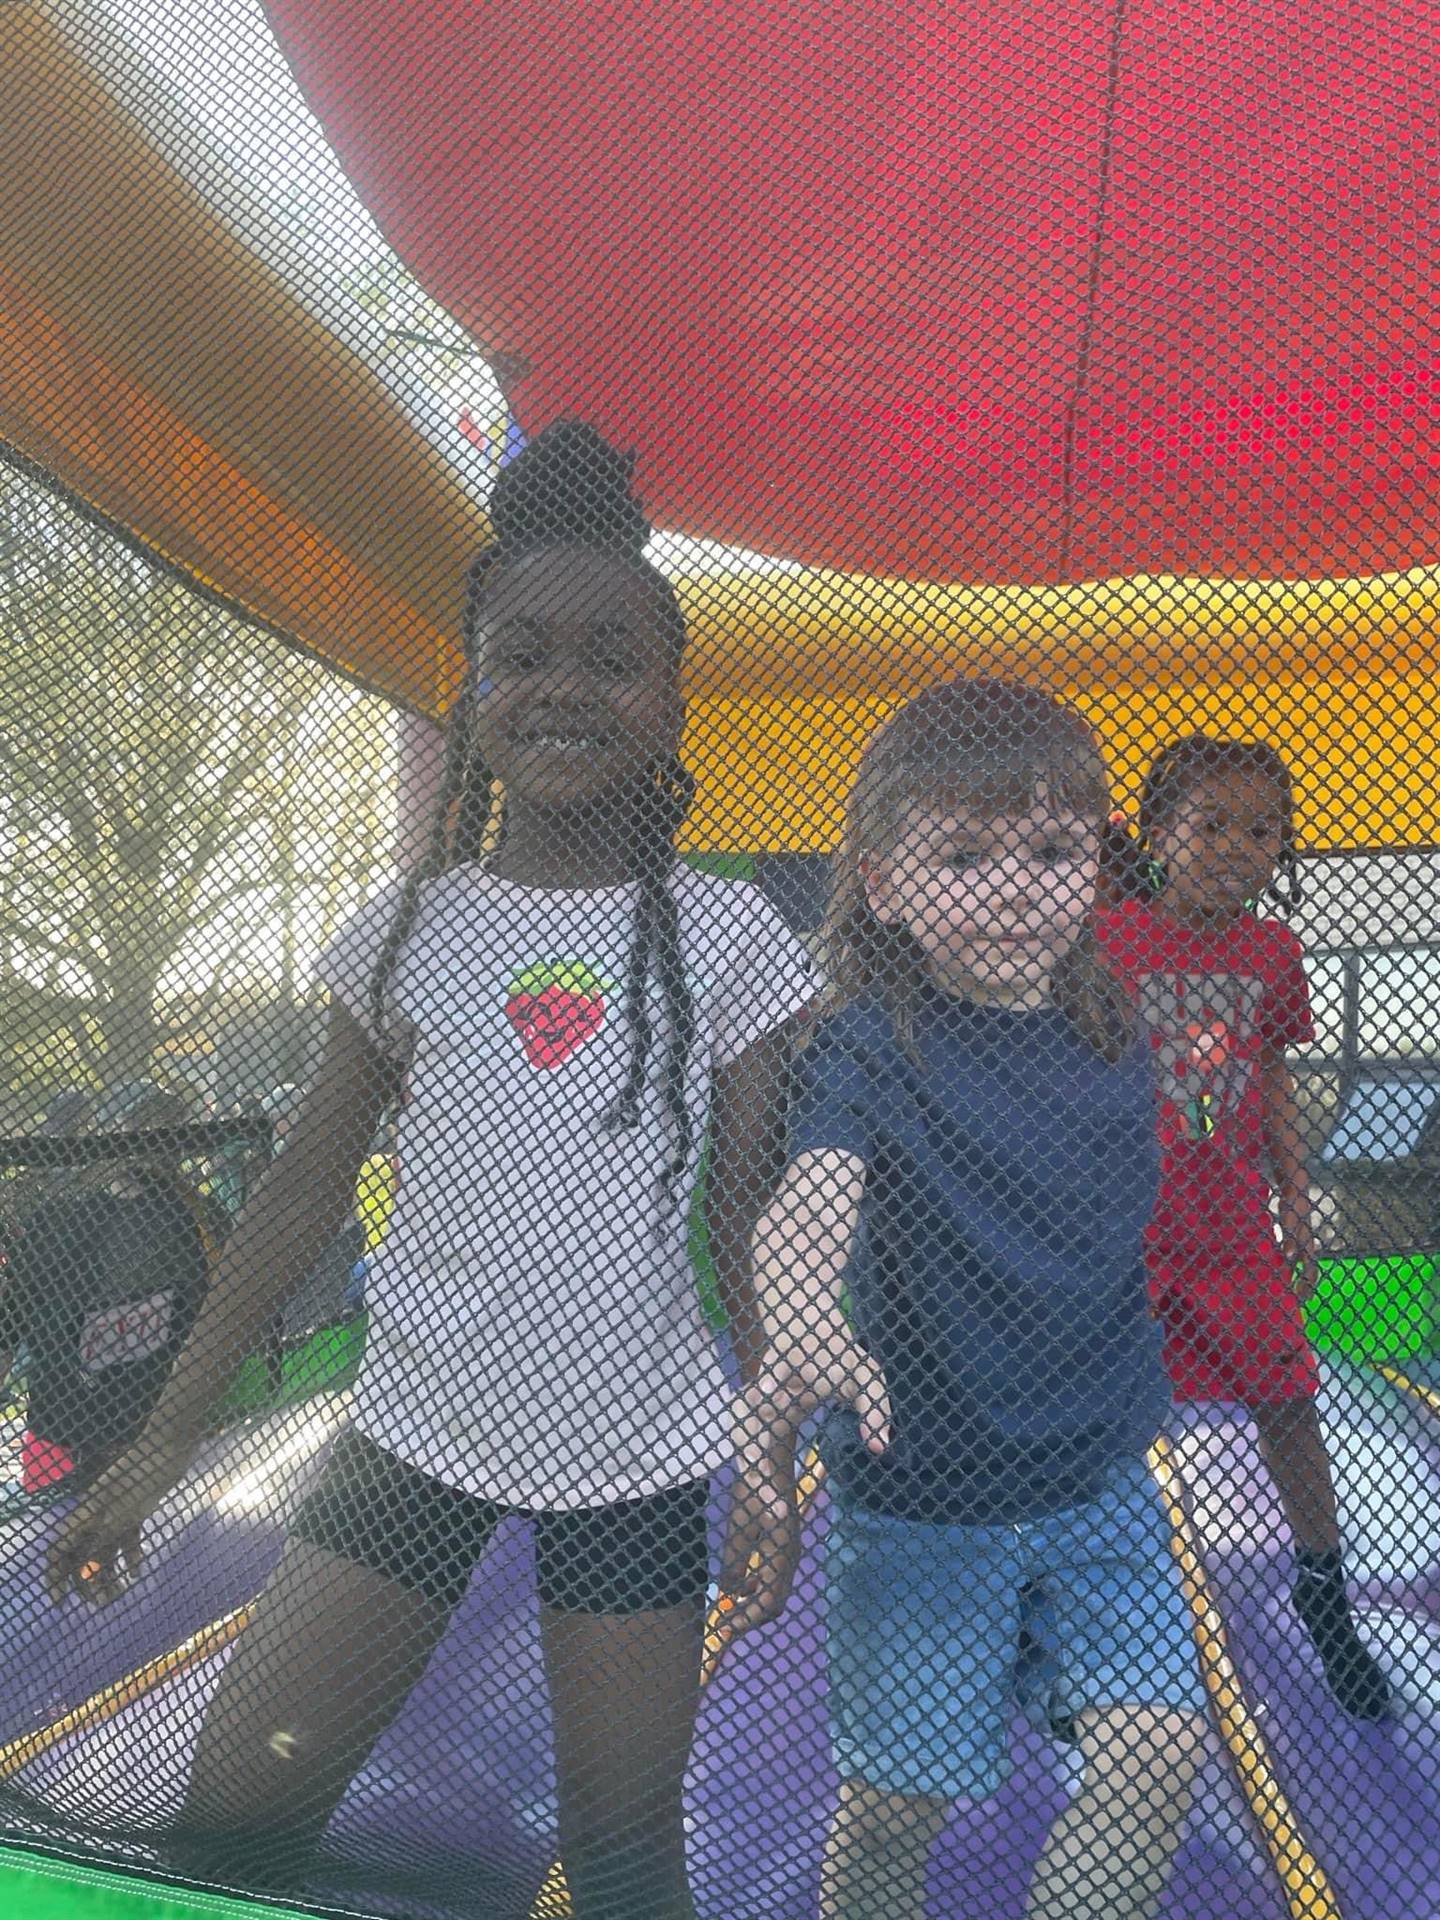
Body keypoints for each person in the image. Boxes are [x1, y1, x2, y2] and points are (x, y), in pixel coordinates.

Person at [47, 422, 819, 1919]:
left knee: (618, 1849)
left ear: (670, 706)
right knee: (240, 1811)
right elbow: (292, 1201)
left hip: (638, 1453)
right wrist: (156, 1443)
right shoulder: (409, 933)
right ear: (470, 700)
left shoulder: (727, 940)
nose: (565, 688)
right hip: (412, 1438)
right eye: (523, 655)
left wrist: (768, 1453)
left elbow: (751, 1223)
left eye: (611, 658)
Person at [722, 680, 1209, 1920]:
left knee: (1157, 1754)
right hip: (926, 1503)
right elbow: (810, 1200)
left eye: (1051, 850)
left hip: (1097, 1494)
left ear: (1097, 864)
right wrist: (805, 1321)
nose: (1013, 884)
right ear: (885, 885)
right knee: (895, 1811)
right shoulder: (868, 1043)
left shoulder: (1110, 1030)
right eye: (965, 853)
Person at [1094, 735, 1391, 1720]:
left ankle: (1324, 1593)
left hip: (1231, 1236)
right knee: (1100, 1419)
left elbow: (1265, 1069)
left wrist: (1296, 1194)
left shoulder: (1274, 953)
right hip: (1121, 1233)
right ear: (1158, 835)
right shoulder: (1111, 937)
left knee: (1289, 1401)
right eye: (1209, 824)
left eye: (1261, 831)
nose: (1235, 847)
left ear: (1285, 850)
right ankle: (1066, 1603)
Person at [0, 1081, 221, 1500]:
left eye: (167, 1127)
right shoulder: (61, 1218)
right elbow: (10, 1325)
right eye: (145, 1125)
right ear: (117, 1132)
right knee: (47, 1549)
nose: (156, 1144)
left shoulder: (199, 1220)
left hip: (157, 1442)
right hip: (64, 1435)